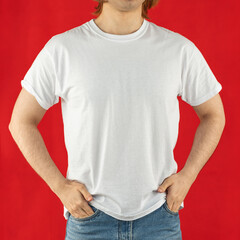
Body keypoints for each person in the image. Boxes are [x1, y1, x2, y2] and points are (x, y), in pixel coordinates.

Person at [9, 0, 225, 239]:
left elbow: (213, 115)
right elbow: (21, 121)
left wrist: (188, 176)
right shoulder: (63, 49)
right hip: (89, 220)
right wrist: (59, 186)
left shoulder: (178, 50)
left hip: (159, 218)